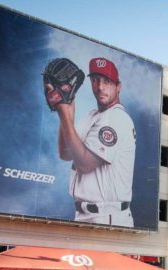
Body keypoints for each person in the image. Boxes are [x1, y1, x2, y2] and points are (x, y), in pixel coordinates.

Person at [49, 57, 136, 226]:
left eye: (107, 81)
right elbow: (65, 153)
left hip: (108, 216)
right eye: (95, 80)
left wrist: (63, 114)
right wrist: (67, 112)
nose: (100, 87)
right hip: (86, 215)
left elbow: (84, 164)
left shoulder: (117, 118)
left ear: (118, 86)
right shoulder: (92, 116)